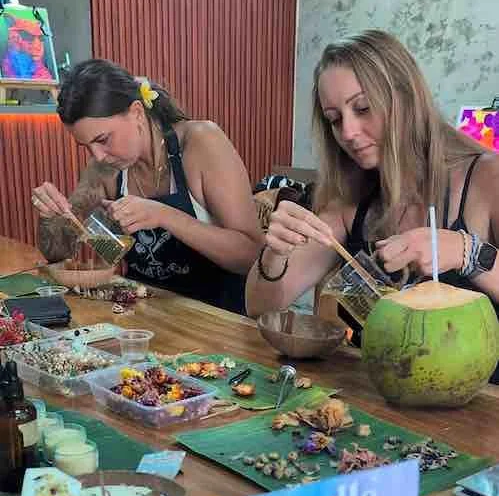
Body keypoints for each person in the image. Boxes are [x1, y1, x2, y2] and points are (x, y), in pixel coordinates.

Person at [246, 30, 499, 380]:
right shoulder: (349, 199)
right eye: (335, 119)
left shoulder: (486, 179)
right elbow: (260, 307)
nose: (348, 132)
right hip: (378, 398)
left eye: (363, 108)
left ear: (407, 98)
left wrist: (469, 252)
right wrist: (275, 253)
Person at [32, 59, 262, 314]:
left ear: (137, 112)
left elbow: (251, 256)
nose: (98, 156)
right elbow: (58, 252)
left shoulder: (200, 143)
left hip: (218, 319)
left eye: (103, 139)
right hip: (146, 319)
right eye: (87, 146)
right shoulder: (103, 170)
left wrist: (164, 215)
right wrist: (50, 216)